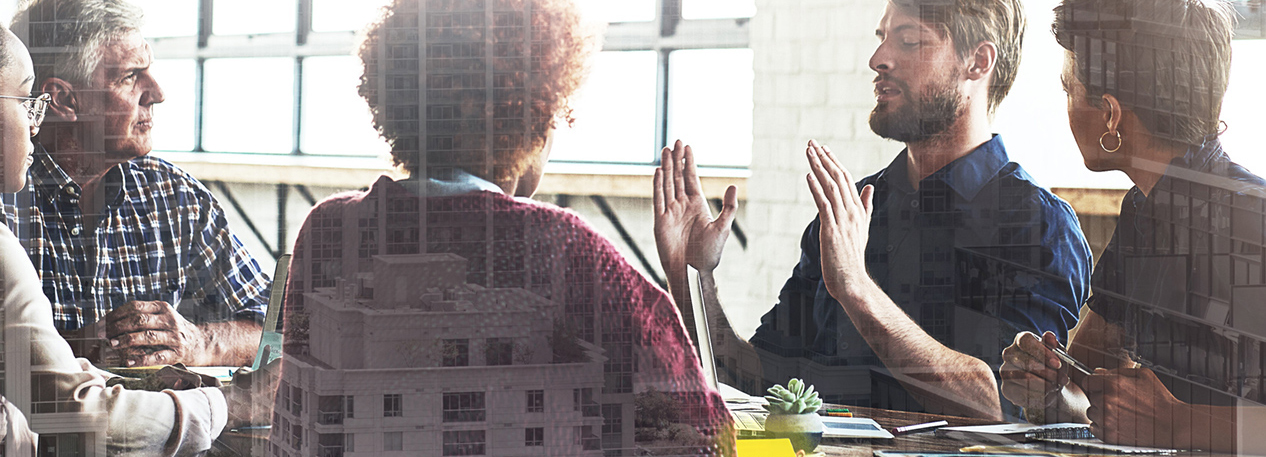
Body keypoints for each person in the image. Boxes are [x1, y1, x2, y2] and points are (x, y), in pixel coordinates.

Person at [279, 0, 733, 454]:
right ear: (533, 119)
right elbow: (706, 438)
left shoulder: (329, 230)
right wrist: (687, 275)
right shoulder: (569, 250)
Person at [655, 0, 1092, 420]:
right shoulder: (851, 210)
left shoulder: (1039, 226)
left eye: (908, 41)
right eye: (883, 38)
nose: (878, 58)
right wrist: (692, 276)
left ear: (977, 62)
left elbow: (1003, 405)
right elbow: (758, 374)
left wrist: (856, 289)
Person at [1000, 0, 1266, 452]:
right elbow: (1082, 391)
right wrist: (1044, 387)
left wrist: (1179, 423)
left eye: (1069, 89)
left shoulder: (1252, 221)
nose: (1065, 107)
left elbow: (1163, 424)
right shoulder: (1142, 211)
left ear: (1110, 114)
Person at [0, 23, 269, 456]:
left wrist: (198, 343)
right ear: (64, 100)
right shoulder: (5, 198)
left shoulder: (175, 195)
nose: (158, 92)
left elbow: (279, 325)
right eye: (130, 75)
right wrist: (64, 351)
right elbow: (63, 409)